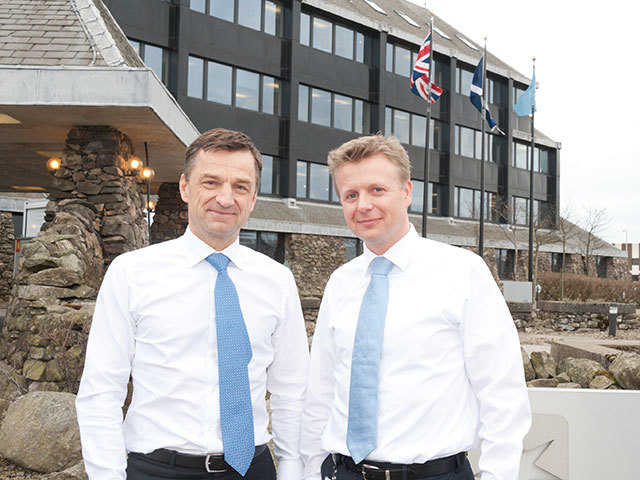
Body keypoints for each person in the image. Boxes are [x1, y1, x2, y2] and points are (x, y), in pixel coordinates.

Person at [76, 128, 309, 480]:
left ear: (254, 197)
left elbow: (292, 392)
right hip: (157, 470)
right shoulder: (132, 274)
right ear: (185, 187)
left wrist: (292, 469)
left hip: (253, 469)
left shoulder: (277, 280)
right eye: (211, 182)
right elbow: (101, 393)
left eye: (240, 186)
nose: (225, 198)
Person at [300, 135, 531, 480]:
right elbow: (322, 391)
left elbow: (501, 391)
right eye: (351, 195)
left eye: (377, 190)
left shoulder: (461, 272)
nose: (363, 205)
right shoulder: (340, 283)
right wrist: (309, 470)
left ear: (407, 192)